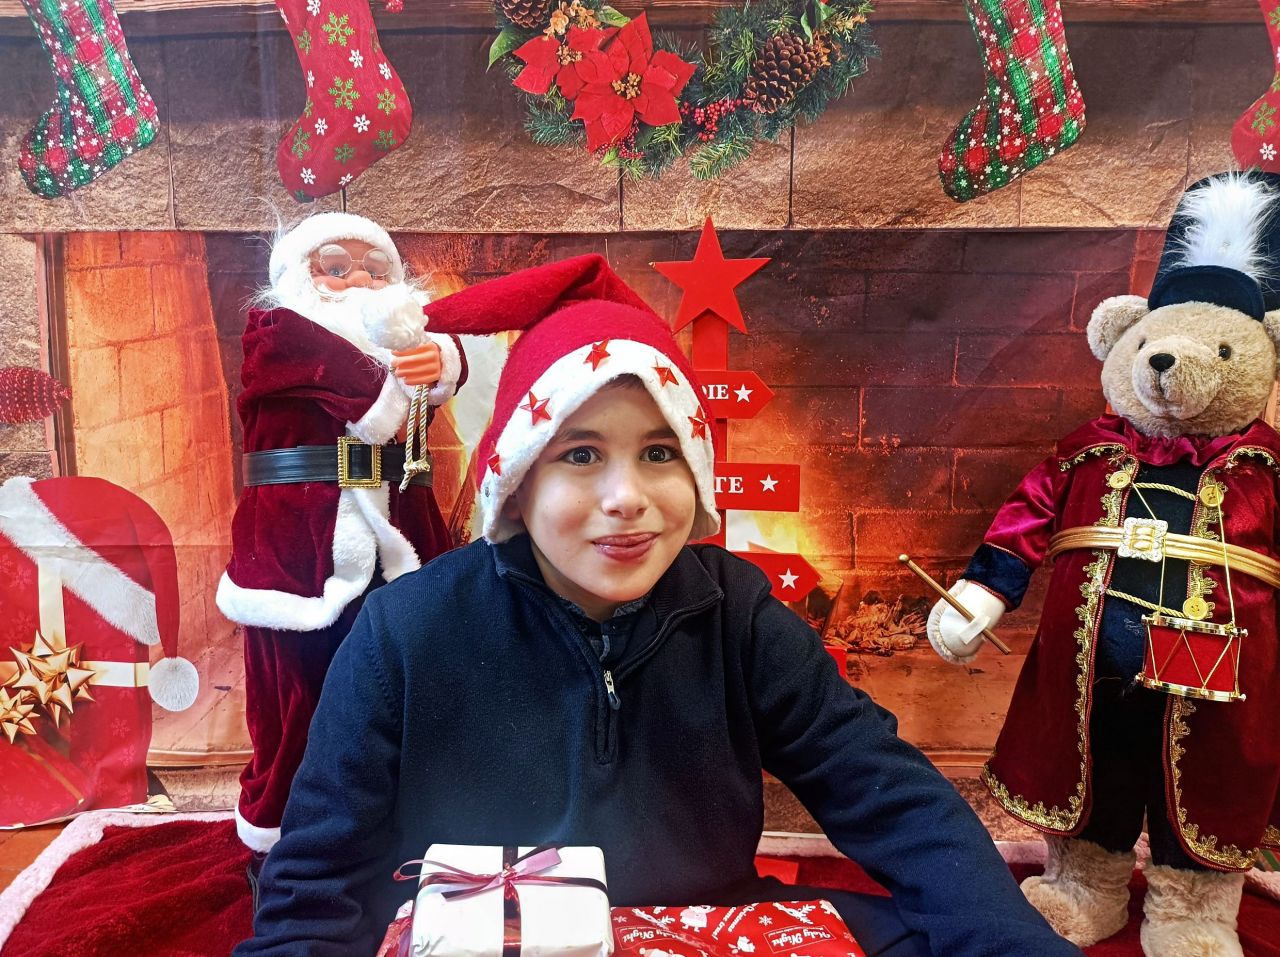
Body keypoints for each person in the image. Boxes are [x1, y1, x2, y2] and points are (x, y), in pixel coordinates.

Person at [235, 255, 1081, 957]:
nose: (627, 498)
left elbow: (889, 795)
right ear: (517, 481)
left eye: (658, 452)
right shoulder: (405, 633)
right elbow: (313, 888)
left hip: (708, 926)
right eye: (580, 454)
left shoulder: (735, 612)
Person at [215, 213, 466, 877]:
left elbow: (429, 371)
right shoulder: (278, 332)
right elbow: (369, 400)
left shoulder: (398, 346)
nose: (359, 280)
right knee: (298, 696)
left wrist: (443, 360)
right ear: (301, 277)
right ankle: (287, 840)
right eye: (335, 267)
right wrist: (424, 362)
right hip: (297, 551)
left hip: (396, 538)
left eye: (376, 271)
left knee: (402, 686)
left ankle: (399, 827)